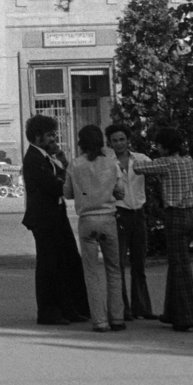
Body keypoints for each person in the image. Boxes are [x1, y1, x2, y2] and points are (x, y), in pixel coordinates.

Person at [20, 114, 91, 325]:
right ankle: (49, 311)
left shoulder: (48, 156)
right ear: (38, 136)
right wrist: (64, 180)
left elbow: (66, 176)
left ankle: (69, 308)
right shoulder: (33, 158)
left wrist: (62, 160)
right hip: (44, 218)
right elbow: (55, 185)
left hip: (56, 214)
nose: (53, 139)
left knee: (68, 261)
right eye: (50, 135)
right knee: (49, 265)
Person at [135, 130, 193, 331]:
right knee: (176, 264)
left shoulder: (168, 163)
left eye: (159, 145)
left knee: (180, 268)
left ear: (165, 147)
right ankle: (173, 312)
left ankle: (191, 318)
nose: (157, 148)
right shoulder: (188, 160)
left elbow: (141, 168)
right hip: (191, 213)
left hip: (175, 215)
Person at [63, 124, 126, 332]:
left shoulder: (75, 164)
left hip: (87, 220)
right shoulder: (111, 163)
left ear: (81, 142)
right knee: (114, 269)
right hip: (108, 217)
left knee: (91, 272)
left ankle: (99, 320)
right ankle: (117, 317)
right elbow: (120, 192)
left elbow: (69, 193)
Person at [105, 123, 154, 321]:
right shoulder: (107, 162)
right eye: (115, 140)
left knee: (139, 262)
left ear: (128, 140)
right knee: (117, 263)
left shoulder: (141, 160)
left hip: (138, 214)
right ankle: (122, 309)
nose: (119, 144)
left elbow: (159, 170)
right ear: (109, 142)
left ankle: (141, 307)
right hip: (119, 214)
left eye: (122, 139)